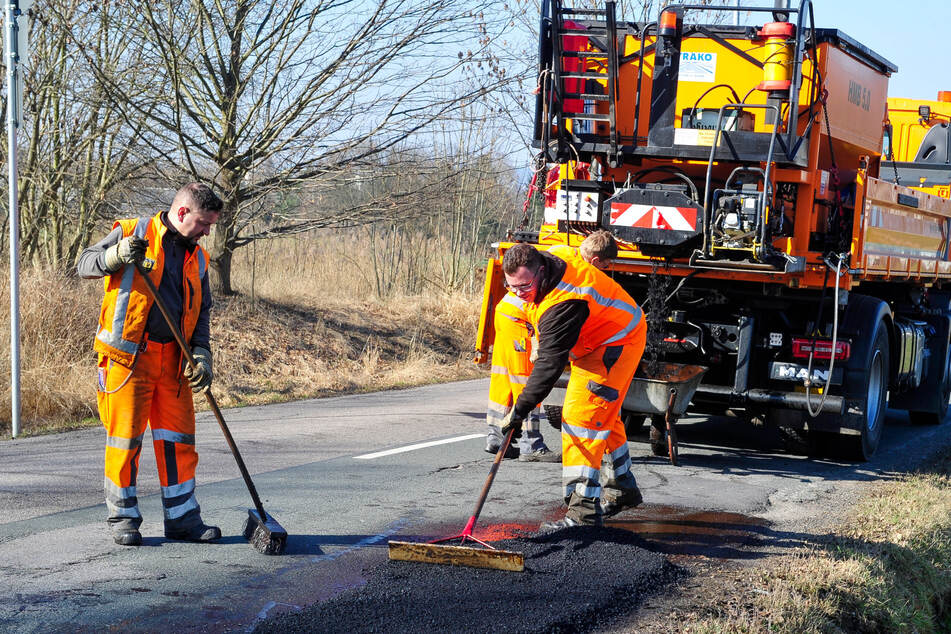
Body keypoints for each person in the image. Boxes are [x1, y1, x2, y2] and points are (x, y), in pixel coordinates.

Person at [77, 183, 224, 547]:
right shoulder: (132, 232)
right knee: (125, 441)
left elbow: (201, 311)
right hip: (129, 360)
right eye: (205, 223)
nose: (208, 232)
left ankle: (183, 519)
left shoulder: (199, 259)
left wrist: (202, 352)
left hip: (175, 363)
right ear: (183, 212)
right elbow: (83, 265)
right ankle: (124, 518)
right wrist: (116, 256)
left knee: (179, 443)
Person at [498, 240, 646, 528]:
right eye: (511, 287)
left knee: (582, 419)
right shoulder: (552, 259)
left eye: (524, 287)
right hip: (593, 342)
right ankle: (623, 487)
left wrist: (520, 411)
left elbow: (549, 366)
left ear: (541, 271)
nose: (519, 294)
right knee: (604, 414)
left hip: (617, 341)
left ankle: (584, 514)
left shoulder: (565, 302)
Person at [484, 231, 619, 463]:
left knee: (504, 379)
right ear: (596, 261)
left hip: (507, 314)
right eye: (604, 267)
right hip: (520, 319)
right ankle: (531, 444)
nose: (602, 272)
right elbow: (549, 310)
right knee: (528, 381)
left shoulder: (560, 253)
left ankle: (496, 437)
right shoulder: (576, 271)